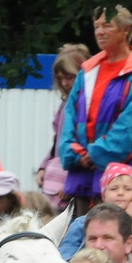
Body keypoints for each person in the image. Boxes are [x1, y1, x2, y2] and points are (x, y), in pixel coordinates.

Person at [57, 5, 132, 206]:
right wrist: (74, 154)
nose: (100, 32)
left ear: (126, 30)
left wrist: (95, 154)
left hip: (123, 183)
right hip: (82, 179)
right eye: (96, 27)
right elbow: (69, 117)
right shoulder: (87, 71)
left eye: (107, 25)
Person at [37, 43, 89, 199]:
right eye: (61, 79)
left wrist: (70, 181)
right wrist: (44, 166)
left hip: (77, 179)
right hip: (57, 179)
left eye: (70, 77)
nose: (65, 83)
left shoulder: (87, 105)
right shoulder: (65, 104)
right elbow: (57, 143)